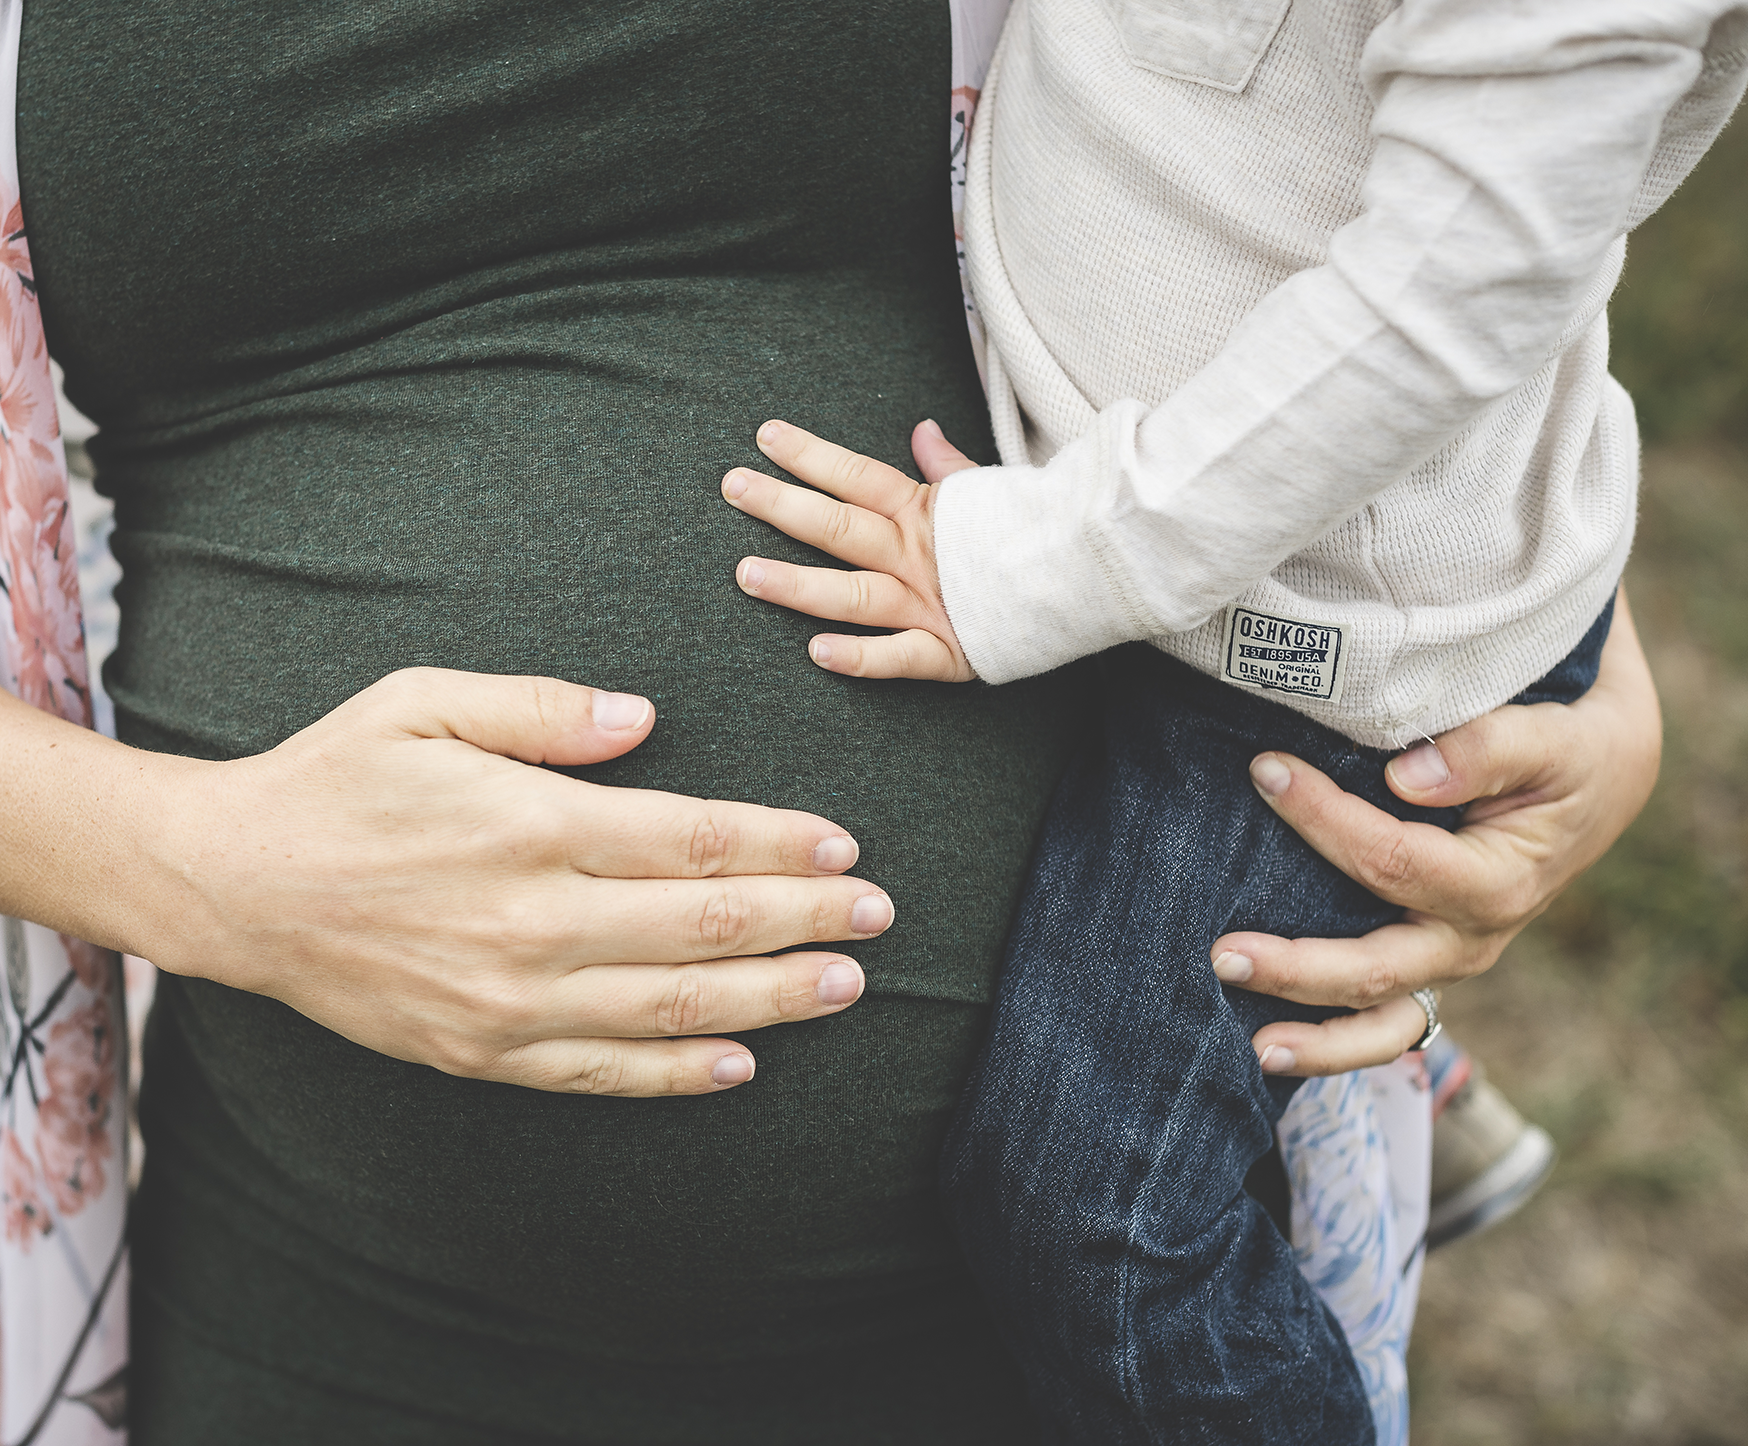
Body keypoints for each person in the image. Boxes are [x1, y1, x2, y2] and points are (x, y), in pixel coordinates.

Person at [0, 0, 1664, 1442]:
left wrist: (1587, 680)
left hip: (1067, 1328)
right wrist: (225, 875)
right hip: (353, 1346)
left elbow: (1446, 184)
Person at [716, 0, 1738, 1439]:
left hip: (1300, 656)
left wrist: (1043, 564)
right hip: (1150, 521)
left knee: (1107, 1219)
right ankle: (1396, 1093)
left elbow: (1455, 289)